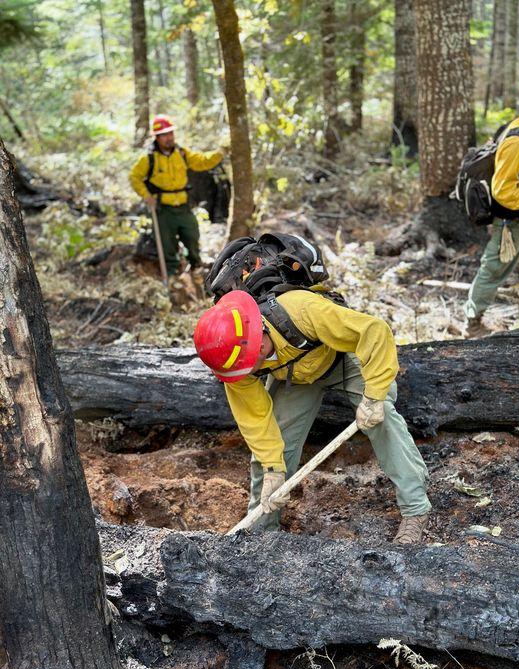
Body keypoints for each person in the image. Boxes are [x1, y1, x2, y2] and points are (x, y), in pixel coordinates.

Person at [194, 289, 432, 544]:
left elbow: (375, 331)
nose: (243, 374)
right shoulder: (234, 364)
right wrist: (273, 468)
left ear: (259, 344)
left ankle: (416, 509)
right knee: (271, 455)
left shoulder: (303, 311)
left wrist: (373, 397)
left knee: (382, 418)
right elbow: (255, 420)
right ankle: (260, 534)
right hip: (294, 378)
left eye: (247, 367)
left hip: (340, 359)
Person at [129, 114, 224, 277]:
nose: (169, 138)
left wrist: (220, 152)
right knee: (167, 245)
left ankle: (195, 267)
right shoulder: (149, 159)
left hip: (183, 206)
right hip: (163, 209)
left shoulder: (182, 153)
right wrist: (146, 196)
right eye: (164, 135)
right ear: (157, 138)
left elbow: (202, 161)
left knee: (192, 235)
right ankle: (172, 275)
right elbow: (134, 177)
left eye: (170, 133)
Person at [464, 105, 519, 338]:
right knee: (493, 269)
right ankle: (472, 324)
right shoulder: (518, 142)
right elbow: (503, 190)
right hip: (511, 222)